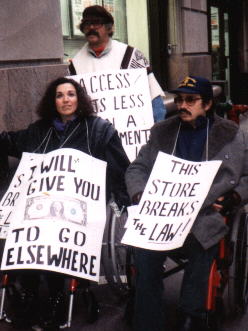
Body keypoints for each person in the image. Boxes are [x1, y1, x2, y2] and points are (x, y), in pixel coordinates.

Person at [0, 77, 130, 329]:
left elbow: (118, 167)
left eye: (70, 94)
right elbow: (9, 141)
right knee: (24, 228)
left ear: (79, 99)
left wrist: (125, 200)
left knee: (54, 228)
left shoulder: (99, 130)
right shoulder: (40, 130)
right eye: (59, 95)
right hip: (40, 201)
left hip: (76, 205)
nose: (65, 100)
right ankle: (27, 292)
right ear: (53, 101)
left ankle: (57, 295)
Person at [125, 75, 248, 331]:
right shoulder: (162, 131)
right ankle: (147, 321)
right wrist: (140, 195)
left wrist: (234, 197)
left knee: (203, 243)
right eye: (179, 99)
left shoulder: (228, 133)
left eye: (191, 100)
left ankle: (191, 314)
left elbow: (245, 176)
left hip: (203, 214)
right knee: (143, 254)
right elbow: (136, 168)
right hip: (163, 215)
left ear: (207, 104)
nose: (183, 105)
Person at [69, 5, 167, 123]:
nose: (91, 27)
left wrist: (155, 134)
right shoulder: (75, 64)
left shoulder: (131, 55)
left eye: (96, 23)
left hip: (129, 134)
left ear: (109, 28)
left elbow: (155, 101)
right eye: (86, 24)